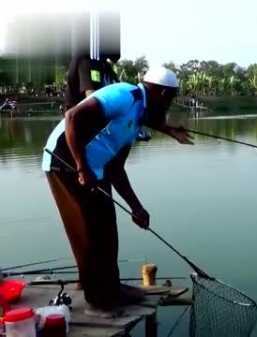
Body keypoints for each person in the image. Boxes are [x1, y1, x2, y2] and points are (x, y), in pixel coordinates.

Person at [42, 67, 193, 317]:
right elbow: (72, 118)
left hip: (95, 170)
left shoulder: (137, 118)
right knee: (88, 232)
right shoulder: (125, 94)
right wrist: (81, 167)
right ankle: (97, 301)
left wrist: (136, 207)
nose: (170, 103)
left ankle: (112, 289)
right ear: (162, 92)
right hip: (64, 164)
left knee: (107, 230)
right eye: (171, 97)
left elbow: (116, 169)